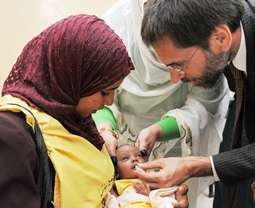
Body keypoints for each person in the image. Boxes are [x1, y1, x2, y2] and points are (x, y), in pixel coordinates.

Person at [0, 14, 188, 208]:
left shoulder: (74, 120)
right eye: (104, 91)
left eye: (115, 91)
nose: (110, 101)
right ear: (71, 78)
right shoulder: (11, 136)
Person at [134, 0, 255, 208]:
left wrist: (197, 165)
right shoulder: (223, 40)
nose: (174, 78)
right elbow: (252, 98)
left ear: (221, 38)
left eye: (179, 65)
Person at [92, 1, 230, 206]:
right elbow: (97, 93)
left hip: (180, 143)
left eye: (179, 65)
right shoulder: (113, 29)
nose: (174, 78)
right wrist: (105, 130)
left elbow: (204, 104)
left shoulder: (196, 25)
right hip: (121, 132)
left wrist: (159, 131)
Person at [106, 144, 181, 207]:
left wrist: (149, 194)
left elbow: (162, 196)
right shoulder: (116, 183)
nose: (134, 159)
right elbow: (113, 199)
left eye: (138, 156)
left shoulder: (153, 179)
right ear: (116, 172)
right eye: (125, 158)